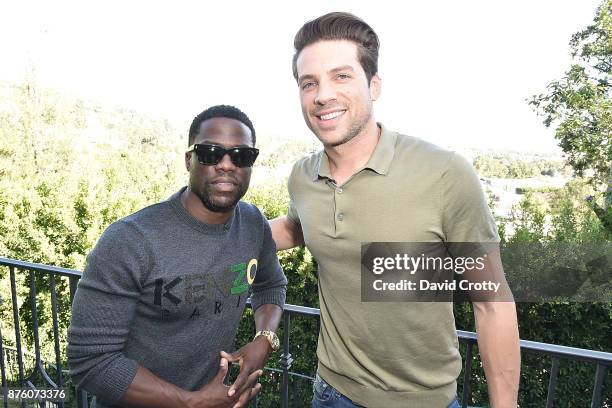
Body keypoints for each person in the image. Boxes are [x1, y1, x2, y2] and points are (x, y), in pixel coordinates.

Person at [270, 12, 521, 408]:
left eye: (341, 76)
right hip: (330, 393)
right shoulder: (303, 176)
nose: (322, 95)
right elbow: (295, 228)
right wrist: (220, 234)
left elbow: (492, 302)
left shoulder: (443, 173)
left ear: (374, 85)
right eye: (309, 83)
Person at [68, 105, 287, 408]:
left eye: (241, 155)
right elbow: (92, 362)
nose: (226, 165)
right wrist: (192, 403)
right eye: (210, 153)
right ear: (189, 159)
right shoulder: (130, 240)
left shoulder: (253, 225)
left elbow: (271, 284)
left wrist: (264, 338)